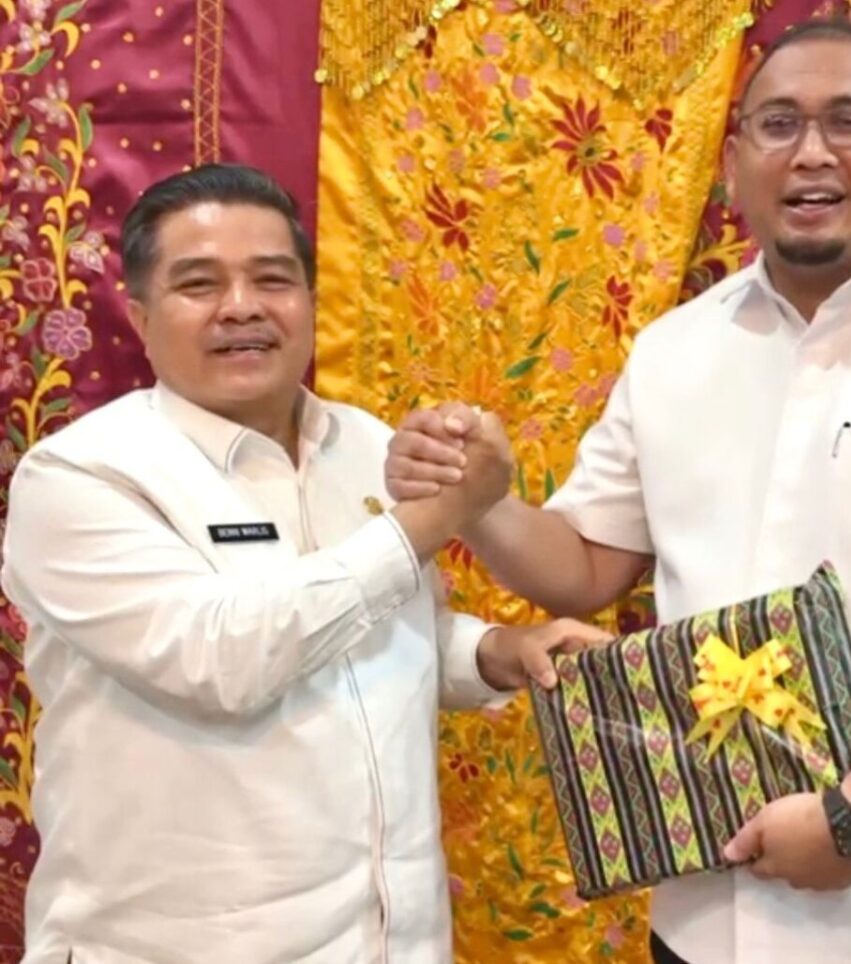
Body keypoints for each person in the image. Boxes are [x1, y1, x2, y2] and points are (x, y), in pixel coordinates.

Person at [383, 18, 851, 964]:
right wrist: (480, 501)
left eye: (849, 121)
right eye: (778, 124)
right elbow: (583, 568)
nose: (811, 152)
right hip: (706, 921)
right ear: (735, 157)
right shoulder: (676, 351)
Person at [0, 163, 607, 963]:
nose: (241, 306)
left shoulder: (362, 442)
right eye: (199, 284)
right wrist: (441, 516)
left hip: (395, 942)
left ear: (311, 302)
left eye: (272, 279)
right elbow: (219, 659)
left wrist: (495, 652)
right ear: (141, 317)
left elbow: (383, 628)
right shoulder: (80, 476)